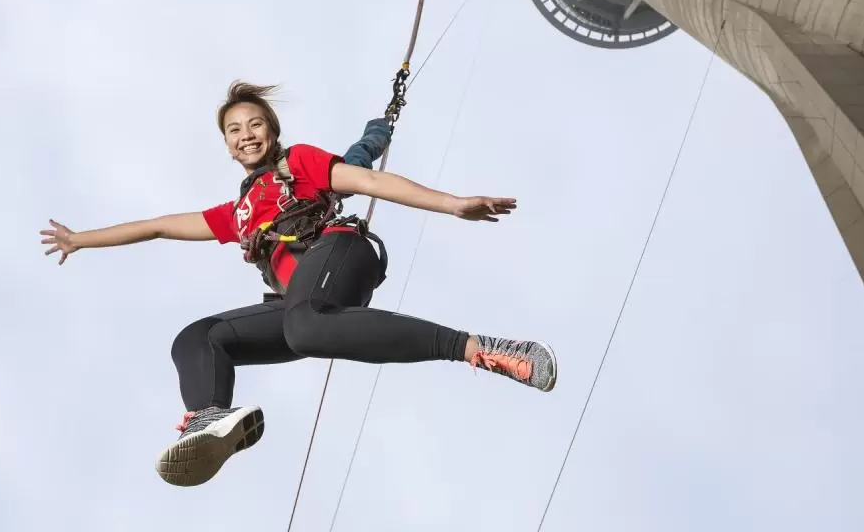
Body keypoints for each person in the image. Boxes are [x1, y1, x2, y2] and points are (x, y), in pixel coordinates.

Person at [39, 81, 557, 488]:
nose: (246, 134)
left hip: (339, 253)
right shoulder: (238, 214)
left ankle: (478, 349)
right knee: (198, 338)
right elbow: (155, 226)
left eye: (256, 124)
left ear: (273, 130)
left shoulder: (299, 164)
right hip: (303, 307)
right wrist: (81, 239)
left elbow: (369, 179)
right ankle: (209, 418)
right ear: (225, 144)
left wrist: (453, 204)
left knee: (304, 322)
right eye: (235, 129)